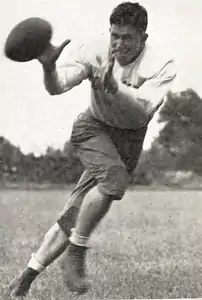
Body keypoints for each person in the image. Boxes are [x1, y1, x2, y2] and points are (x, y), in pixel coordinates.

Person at [9, 1, 177, 297]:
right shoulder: (95, 49)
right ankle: (75, 254)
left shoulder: (162, 64)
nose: (119, 44)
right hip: (93, 127)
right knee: (114, 181)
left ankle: (26, 276)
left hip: (130, 136)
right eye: (115, 35)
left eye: (127, 37)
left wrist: (114, 85)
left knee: (76, 212)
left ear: (143, 38)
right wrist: (48, 67)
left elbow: (145, 110)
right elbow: (57, 86)